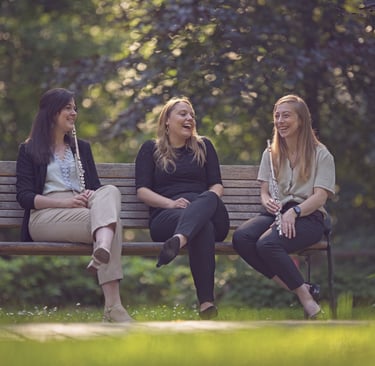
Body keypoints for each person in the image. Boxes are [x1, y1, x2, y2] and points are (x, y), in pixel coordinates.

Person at [16, 88, 132, 322]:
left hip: (82, 211)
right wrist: (66, 202)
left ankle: (103, 246)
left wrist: (89, 194)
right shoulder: (29, 149)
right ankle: (113, 307)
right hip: (45, 216)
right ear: (51, 112)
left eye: (74, 108)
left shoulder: (82, 148)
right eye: (68, 107)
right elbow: (25, 197)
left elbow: (98, 189)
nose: (74, 113)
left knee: (110, 191)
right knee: (112, 223)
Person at [232, 94, 335, 318]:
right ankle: (302, 289)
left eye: (286, 116)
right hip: (276, 212)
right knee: (241, 238)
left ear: (302, 120)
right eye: (276, 116)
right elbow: (264, 190)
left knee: (267, 244)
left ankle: (307, 301)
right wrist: (266, 199)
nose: (280, 121)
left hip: (308, 216)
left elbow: (319, 197)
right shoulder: (270, 154)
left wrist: (295, 212)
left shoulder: (322, 155)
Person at [135, 96, 229, 319]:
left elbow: (216, 185)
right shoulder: (151, 149)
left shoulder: (204, 146)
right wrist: (171, 203)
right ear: (167, 120)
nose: (190, 118)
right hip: (167, 217)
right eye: (183, 114)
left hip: (210, 212)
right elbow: (142, 191)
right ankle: (206, 304)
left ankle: (180, 240)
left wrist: (203, 203)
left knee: (207, 201)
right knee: (202, 227)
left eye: (192, 115)